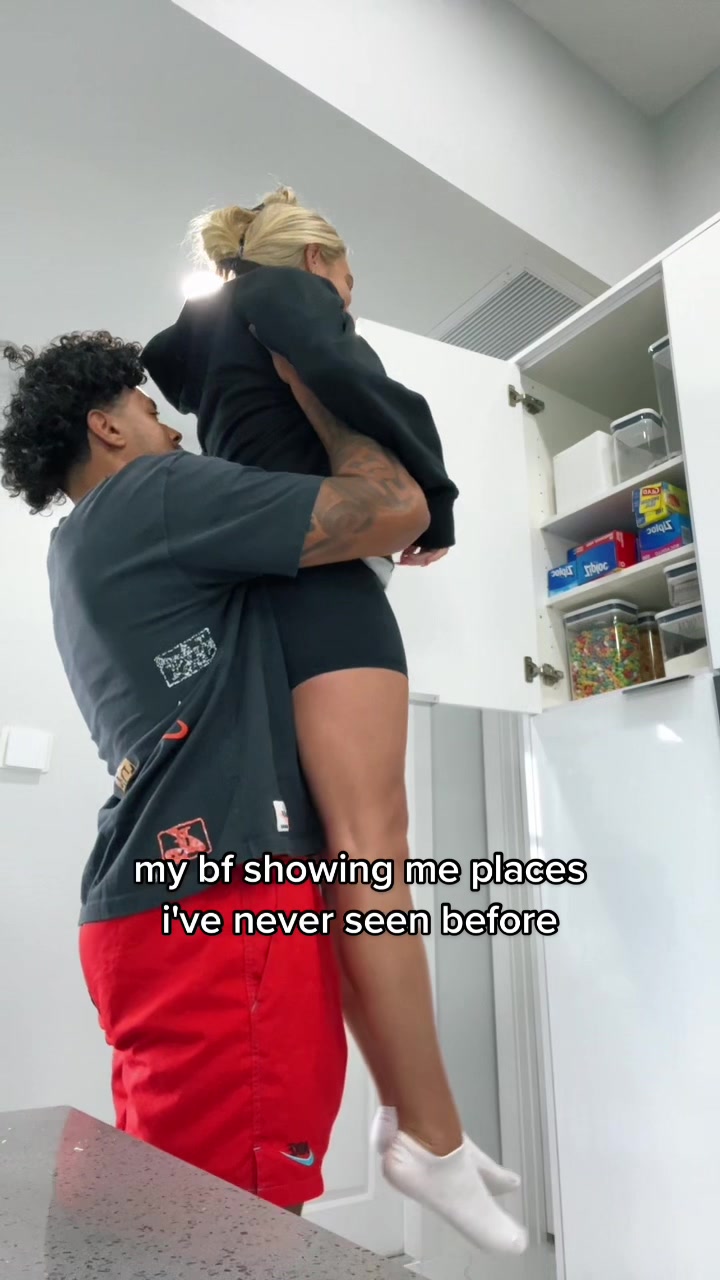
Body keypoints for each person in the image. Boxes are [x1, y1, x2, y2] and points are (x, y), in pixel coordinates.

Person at [141, 188, 527, 1256]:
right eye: (348, 285)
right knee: (373, 849)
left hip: (265, 590)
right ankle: (431, 1138)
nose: (348, 304)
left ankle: (417, 1118)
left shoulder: (213, 330)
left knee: (343, 858)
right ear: (319, 260)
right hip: (322, 588)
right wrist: (438, 495)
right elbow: (349, 372)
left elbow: (184, 358)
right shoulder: (284, 290)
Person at [0, 330, 427, 1215]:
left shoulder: (75, 551)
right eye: (150, 411)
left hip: (154, 908)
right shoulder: (153, 493)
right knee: (235, 1229)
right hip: (219, 909)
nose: (174, 432)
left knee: (177, 1220)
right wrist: (325, 401)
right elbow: (395, 509)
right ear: (106, 427)